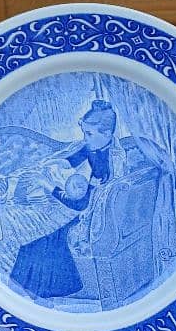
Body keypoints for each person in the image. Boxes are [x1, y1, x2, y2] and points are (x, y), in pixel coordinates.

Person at [9, 99, 126, 299]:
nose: (85, 138)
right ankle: (26, 288)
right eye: (84, 133)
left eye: (89, 134)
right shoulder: (93, 146)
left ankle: (43, 291)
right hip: (73, 201)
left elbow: (81, 204)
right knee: (36, 217)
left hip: (83, 212)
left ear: (107, 134)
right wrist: (53, 167)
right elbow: (70, 160)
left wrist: (50, 187)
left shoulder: (111, 162)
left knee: (43, 231)